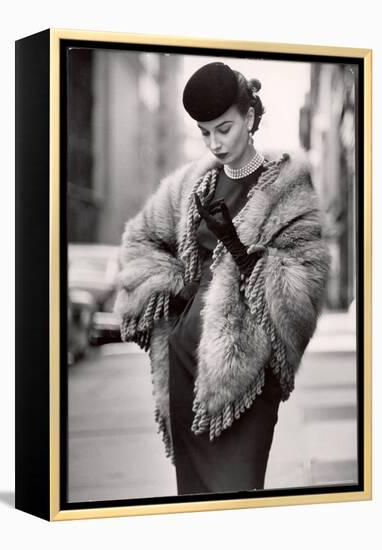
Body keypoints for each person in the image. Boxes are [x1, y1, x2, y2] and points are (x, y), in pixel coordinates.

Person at [114, 62, 330, 496]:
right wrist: (172, 296)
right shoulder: (192, 185)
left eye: (224, 128)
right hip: (184, 366)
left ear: (249, 119)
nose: (215, 143)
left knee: (239, 494)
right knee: (195, 502)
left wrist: (238, 247)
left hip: (246, 379)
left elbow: (306, 288)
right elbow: (138, 241)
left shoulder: (289, 187)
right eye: (205, 132)